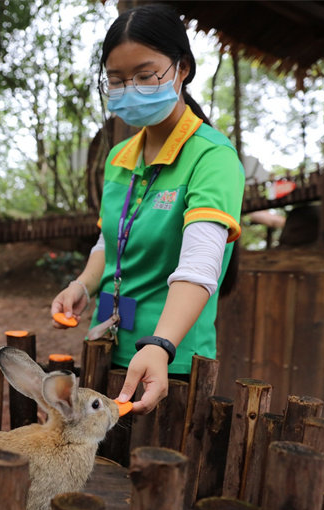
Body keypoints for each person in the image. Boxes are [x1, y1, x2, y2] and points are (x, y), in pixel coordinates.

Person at [50, 4, 244, 415]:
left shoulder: (212, 157)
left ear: (182, 69)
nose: (130, 88)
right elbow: (110, 240)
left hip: (167, 363)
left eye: (145, 75)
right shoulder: (120, 156)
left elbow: (200, 264)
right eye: (117, 80)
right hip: (105, 346)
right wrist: (82, 286)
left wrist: (161, 343)